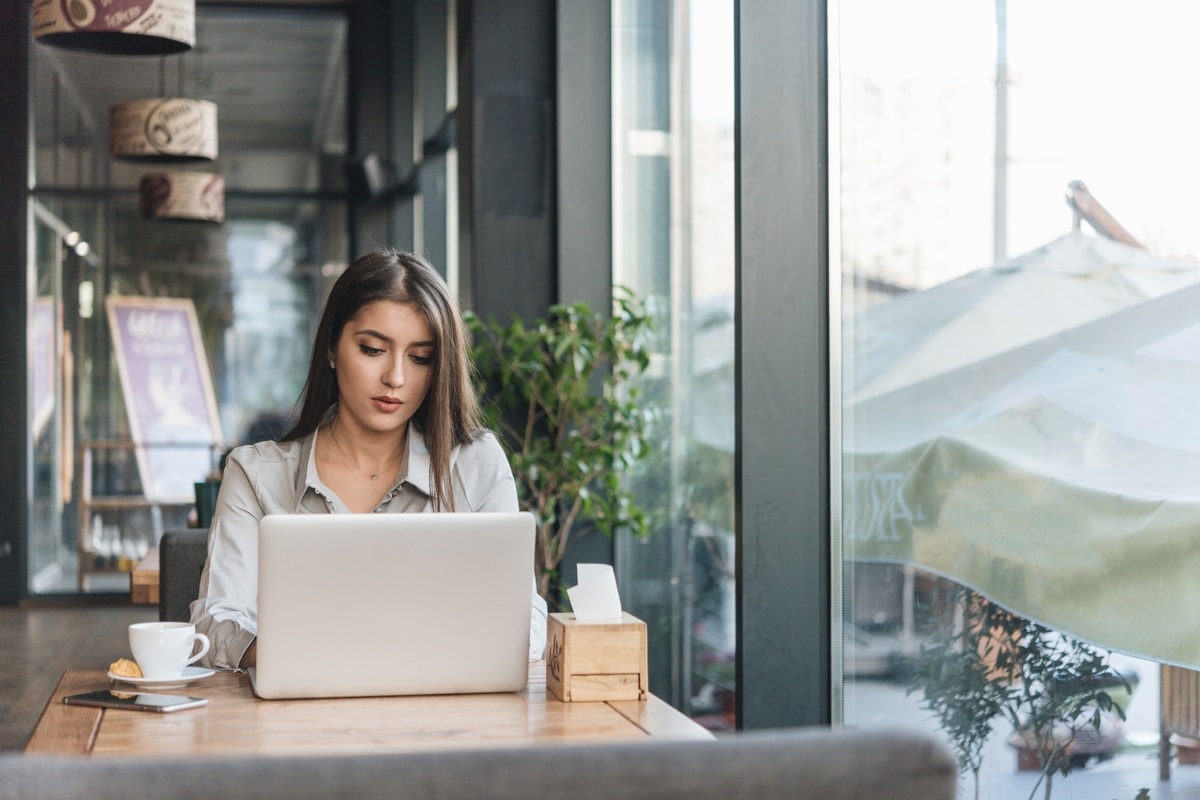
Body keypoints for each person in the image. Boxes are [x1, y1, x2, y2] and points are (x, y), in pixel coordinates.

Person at [190, 249, 547, 669]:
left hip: (443, 704)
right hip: (301, 705)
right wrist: (308, 656)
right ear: (331, 347)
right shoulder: (256, 475)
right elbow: (213, 624)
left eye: (420, 358)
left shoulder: (475, 465)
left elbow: (525, 621)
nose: (395, 378)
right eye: (373, 349)